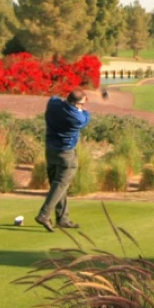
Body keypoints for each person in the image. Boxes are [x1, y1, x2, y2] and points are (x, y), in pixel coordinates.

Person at [35, 88, 91, 232]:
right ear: (77, 104)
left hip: (50, 151)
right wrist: (81, 108)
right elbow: (86, 117)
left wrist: (73, 100)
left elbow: (54, 97)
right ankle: (44, 214)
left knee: (59, 185)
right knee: (60, 184)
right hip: (66, 154)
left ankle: (62, 219)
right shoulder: (77, 118)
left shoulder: (53, 104)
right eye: (83, 103)